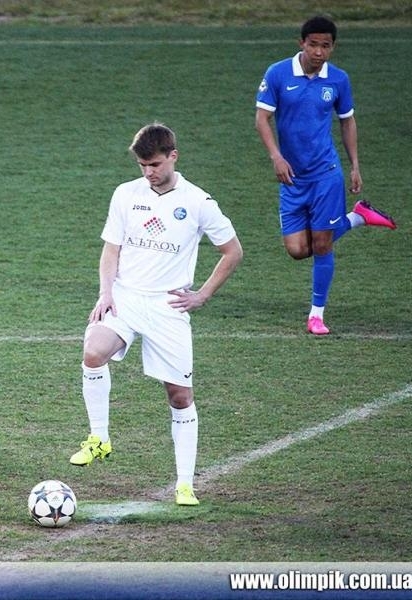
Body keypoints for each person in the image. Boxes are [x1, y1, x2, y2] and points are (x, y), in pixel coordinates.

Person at [68, 123, 243, 506]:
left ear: (173, 156)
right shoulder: (126, 194)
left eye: (155, 164)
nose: (148, 172)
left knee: (179, 396)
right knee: (93, 351)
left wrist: (202, 295)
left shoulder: (198, 202)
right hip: (126, 298)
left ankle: (185, 484)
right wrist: (105, 293)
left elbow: (233, 251)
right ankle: (99, 438)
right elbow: (111, 249)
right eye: (143, 165)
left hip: (168, 308)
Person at [255, 15, 396, 335]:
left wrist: (355, 165)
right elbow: (262, 119)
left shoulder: (338, 80)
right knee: (297, 250)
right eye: (313, 44)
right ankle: (358, 217)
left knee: (321, 244)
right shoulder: (278, 73)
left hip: (326, 174)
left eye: (326, 46)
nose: (319, 52)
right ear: (301, 43)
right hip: (292, 177)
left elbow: (347, 120)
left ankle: (316, 315)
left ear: (333, 47)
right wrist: (276, 157)